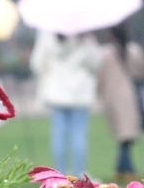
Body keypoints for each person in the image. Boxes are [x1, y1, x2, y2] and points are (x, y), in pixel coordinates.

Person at [30, 30, 103, 177]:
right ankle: (80, 172)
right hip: (80, 94)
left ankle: (60, 173)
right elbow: (96, 62)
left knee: (59, 135)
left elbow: (37, 64)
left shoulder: (47, 36)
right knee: (79, 135)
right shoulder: (84, 36)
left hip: (56, 93)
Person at [98, 27, 144, 183]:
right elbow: (141, 72)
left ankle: (124, 168)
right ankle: (125, 168)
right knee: (126, 136)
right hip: (129, 96)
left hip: (112, 97)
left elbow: (100, 78)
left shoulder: (105, 54)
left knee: (123, 136)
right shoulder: (134, 51)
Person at [110, 23, 144, 132]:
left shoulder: (112, 52)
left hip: (126, 84)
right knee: (139, 105)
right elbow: (142, 67)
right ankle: (142, 124)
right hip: (135, 82)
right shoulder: (134, 50)